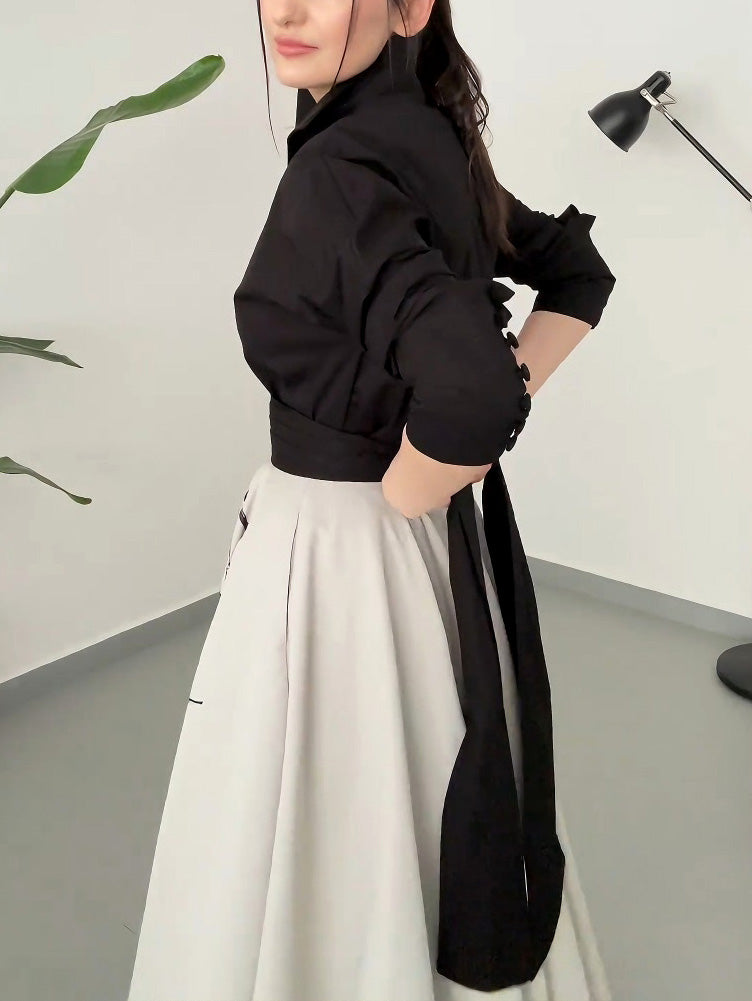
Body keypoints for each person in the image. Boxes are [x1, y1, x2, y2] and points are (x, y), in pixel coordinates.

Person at [126, 2, 617, 1000]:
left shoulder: (339, 171)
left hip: (336, 551)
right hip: (426, 553)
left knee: (320, 813)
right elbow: (575, 273)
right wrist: (435, 474)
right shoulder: (435, 138)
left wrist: (407, 479)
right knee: (416, 774)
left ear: (410, 8)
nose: (287, 10)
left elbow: (472, 393)